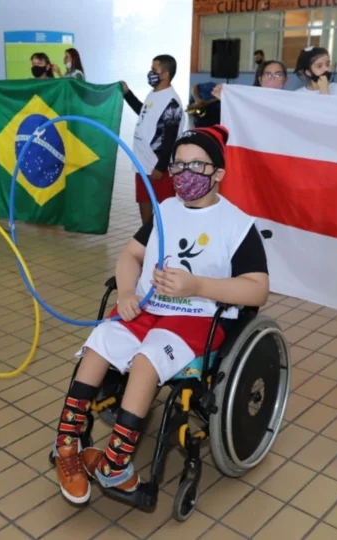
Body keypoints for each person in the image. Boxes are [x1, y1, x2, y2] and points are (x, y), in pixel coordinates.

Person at [53, 125, 270, 504]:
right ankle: (66, 446)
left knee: (146, 360)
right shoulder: (165, 209)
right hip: (148, 306)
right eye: (178, 166)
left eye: (196, 166)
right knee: (99, 341)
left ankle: (115, 464)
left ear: (218, 173)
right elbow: (130, 255)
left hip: (197, 317)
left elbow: (257, 289)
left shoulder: (237, 224)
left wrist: (198, 286)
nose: (184, 174)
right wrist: (124, 293)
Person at [121, 54, 184, 226]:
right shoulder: (154, 93)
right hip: (142, 162)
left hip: (157, 167)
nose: (150, 73)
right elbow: (144, 112)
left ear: (165, 74)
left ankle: (166, 239)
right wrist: (127, 94)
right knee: (144, 200)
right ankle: (146, 236)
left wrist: (160, 166)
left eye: (154, 70)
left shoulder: (172, 102)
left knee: (165, 206)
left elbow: (170, 138)